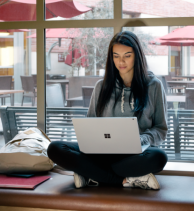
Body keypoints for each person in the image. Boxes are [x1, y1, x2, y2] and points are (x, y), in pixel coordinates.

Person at [48, 31, 168, 190]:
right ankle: (123, 180)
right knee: (55, 148)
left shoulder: (154, 86)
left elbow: (161, 129)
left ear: (137, 56)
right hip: (102, 153)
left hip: (135, 154)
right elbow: (90, 126)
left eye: (127, 55)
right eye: (116, 56)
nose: (121, 61)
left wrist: (143, 139)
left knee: (159, 157)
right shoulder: (101, 87)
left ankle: (91, 174)